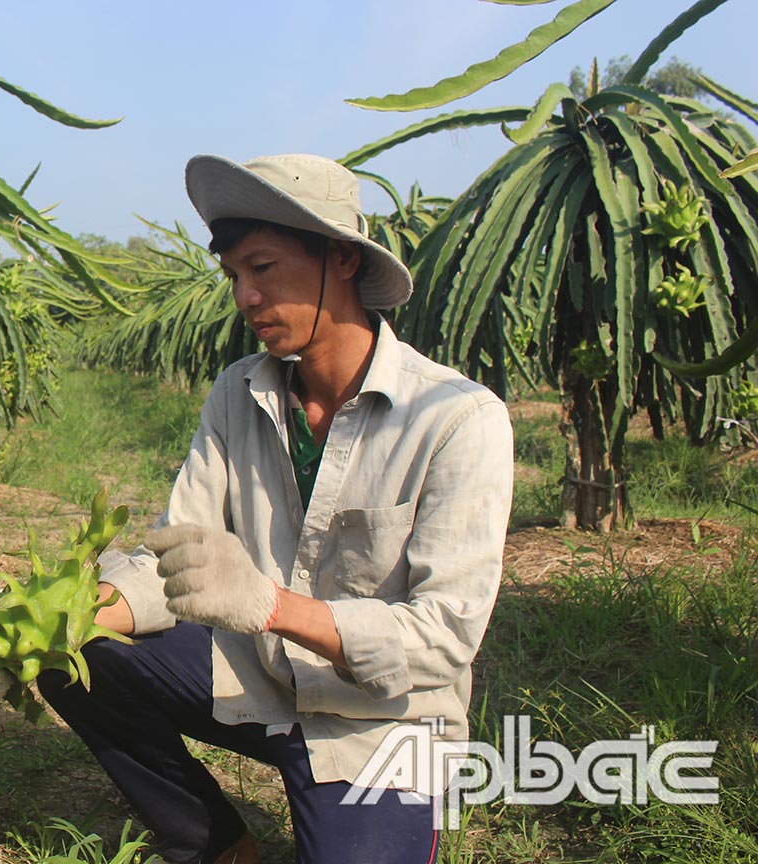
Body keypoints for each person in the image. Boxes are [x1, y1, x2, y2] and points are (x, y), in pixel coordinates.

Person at [33, 154, 514, 864]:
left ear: (342, 260)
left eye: (264, 268)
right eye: (234, 277)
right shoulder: (238, 393)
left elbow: (443, 638)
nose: (246, 298)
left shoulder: (456, 419)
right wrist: (54, 622)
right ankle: (217, 845)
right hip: (258, 680)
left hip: (381, 719)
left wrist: (269, 605)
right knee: (70, 653)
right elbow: (174, 552)